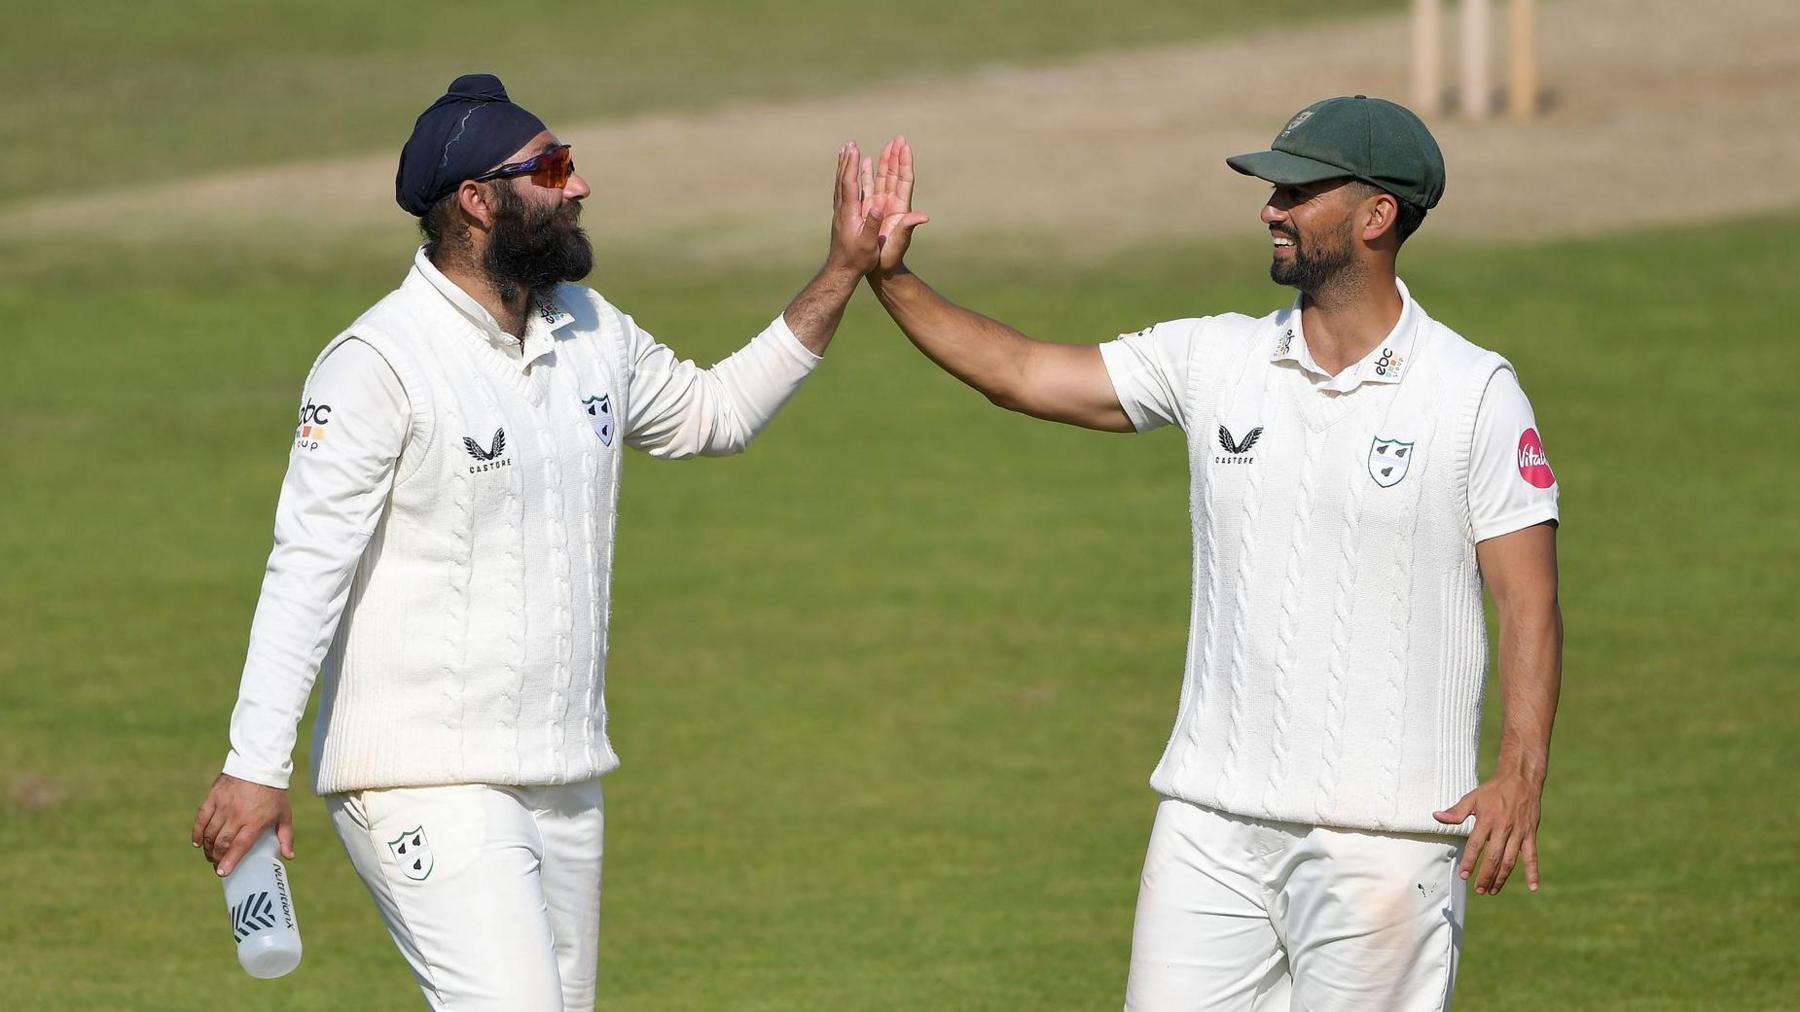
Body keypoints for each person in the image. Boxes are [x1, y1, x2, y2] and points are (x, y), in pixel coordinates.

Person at [191, 74, 889, 1010]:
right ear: (477, 201)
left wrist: (841, 273)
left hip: (564, 775)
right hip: (422, 778)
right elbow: (304, 566)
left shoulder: (590, 330)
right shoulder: (378, 362)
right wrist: (254, 766)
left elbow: (712, 414)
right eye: (552, 167)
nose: (580, 185)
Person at [859, 97, 1563, 1009]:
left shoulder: (1473, 394)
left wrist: (1519, 774)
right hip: (1210, 826)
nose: (1270, 207)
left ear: (1376, 216)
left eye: (1296, 191)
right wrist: (893, 281)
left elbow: (1528, 603)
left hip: (1385, 843)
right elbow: (1027, 374)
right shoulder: (1215, 357)